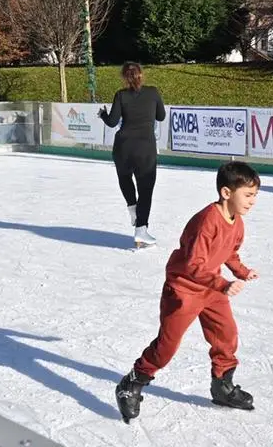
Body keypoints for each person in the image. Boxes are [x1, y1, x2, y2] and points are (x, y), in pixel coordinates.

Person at [115, 162, 261, 421]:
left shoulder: (236, 222)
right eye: (248, 195)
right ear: (226, 193)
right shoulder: (206, 221)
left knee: (226, 335)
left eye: (255, 195)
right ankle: (132, 383)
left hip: (210, 286)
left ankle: (222, 386)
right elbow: (193, 265)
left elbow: (230, 252)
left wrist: (242, 271)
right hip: (184, 288)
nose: (252, 201)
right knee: (166, 347)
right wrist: (223, 285)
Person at [98, 62, 166, 247]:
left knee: (124, 177)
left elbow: (112, 122)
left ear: (124, 78)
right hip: (145, 149)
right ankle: (141, 230)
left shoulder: (121, 95)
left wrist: (103, 114)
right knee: (145, 190)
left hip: (123, 147)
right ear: (141, 75)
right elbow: (161, 116)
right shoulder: (153, 92)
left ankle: (132, 208)